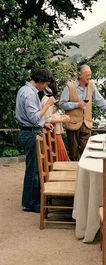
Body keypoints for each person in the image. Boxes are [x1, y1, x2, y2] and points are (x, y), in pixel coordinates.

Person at [15, 68, 56, 213]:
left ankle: (31, 200)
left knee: (34, 168)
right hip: (30, 134)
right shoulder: (29, 94)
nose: (45, 87)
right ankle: (30, 203)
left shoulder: (25, 90)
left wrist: (43, 124)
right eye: (45, 84)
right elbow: (33, 118)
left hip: (29, 131)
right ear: (39, 81)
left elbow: (32, 118)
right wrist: (48, 104)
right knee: (33, 170)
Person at [59, 64, 106, 161]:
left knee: (86, 151)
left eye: (90, 75)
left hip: (86, 123)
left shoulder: (91, 85)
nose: (89, 77)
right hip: (72, 124)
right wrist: (77, 104)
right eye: (87, 75)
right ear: (79, 75)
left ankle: (85, 174)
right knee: (73, 153)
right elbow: (62, 104)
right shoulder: (69, 86)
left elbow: (100, 100)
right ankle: (75, 174)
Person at [41, 78, 70, 161]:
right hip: (52, 132)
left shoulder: (50, 98)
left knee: (59, 155)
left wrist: (61, 117)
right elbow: (47, 119)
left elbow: (51, 115)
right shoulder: (46, 99)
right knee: (59, 156)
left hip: (55, 131)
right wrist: (62, 119)